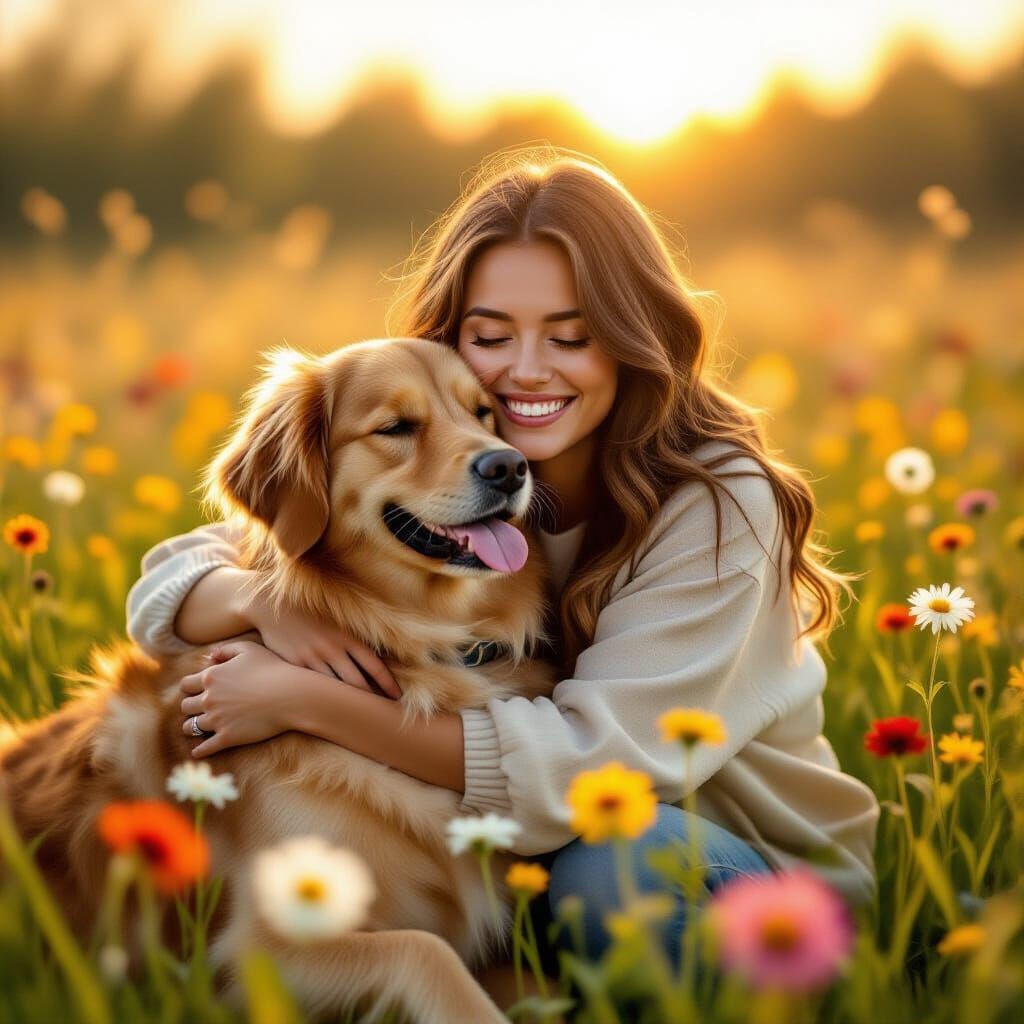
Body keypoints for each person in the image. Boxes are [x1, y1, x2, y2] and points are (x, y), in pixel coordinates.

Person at [126, 148, 879, 980]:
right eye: (490, 337)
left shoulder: (717, 505)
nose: (526, 370)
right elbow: (196, 559)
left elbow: (592, 773)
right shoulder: (465, 460)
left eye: (572, 337)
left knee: (614, 870)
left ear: (632, 340)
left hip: (730, 871)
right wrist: (260, 603)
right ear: (446, 342)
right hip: (531, 835)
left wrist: (302, 696)